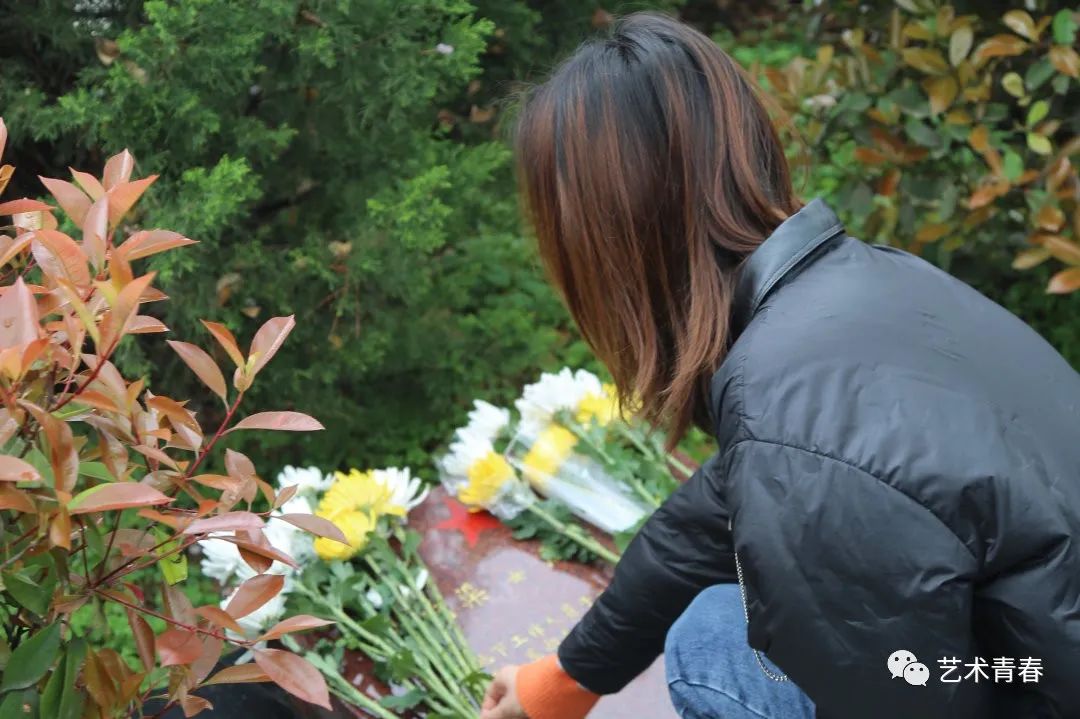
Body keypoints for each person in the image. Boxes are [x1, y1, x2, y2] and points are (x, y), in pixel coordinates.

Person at [479, 10, 1080, 719]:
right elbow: (713, 515)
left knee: (709, 644)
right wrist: (567, 677)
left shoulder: (786, 425)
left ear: (605, 244)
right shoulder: (871, 285)